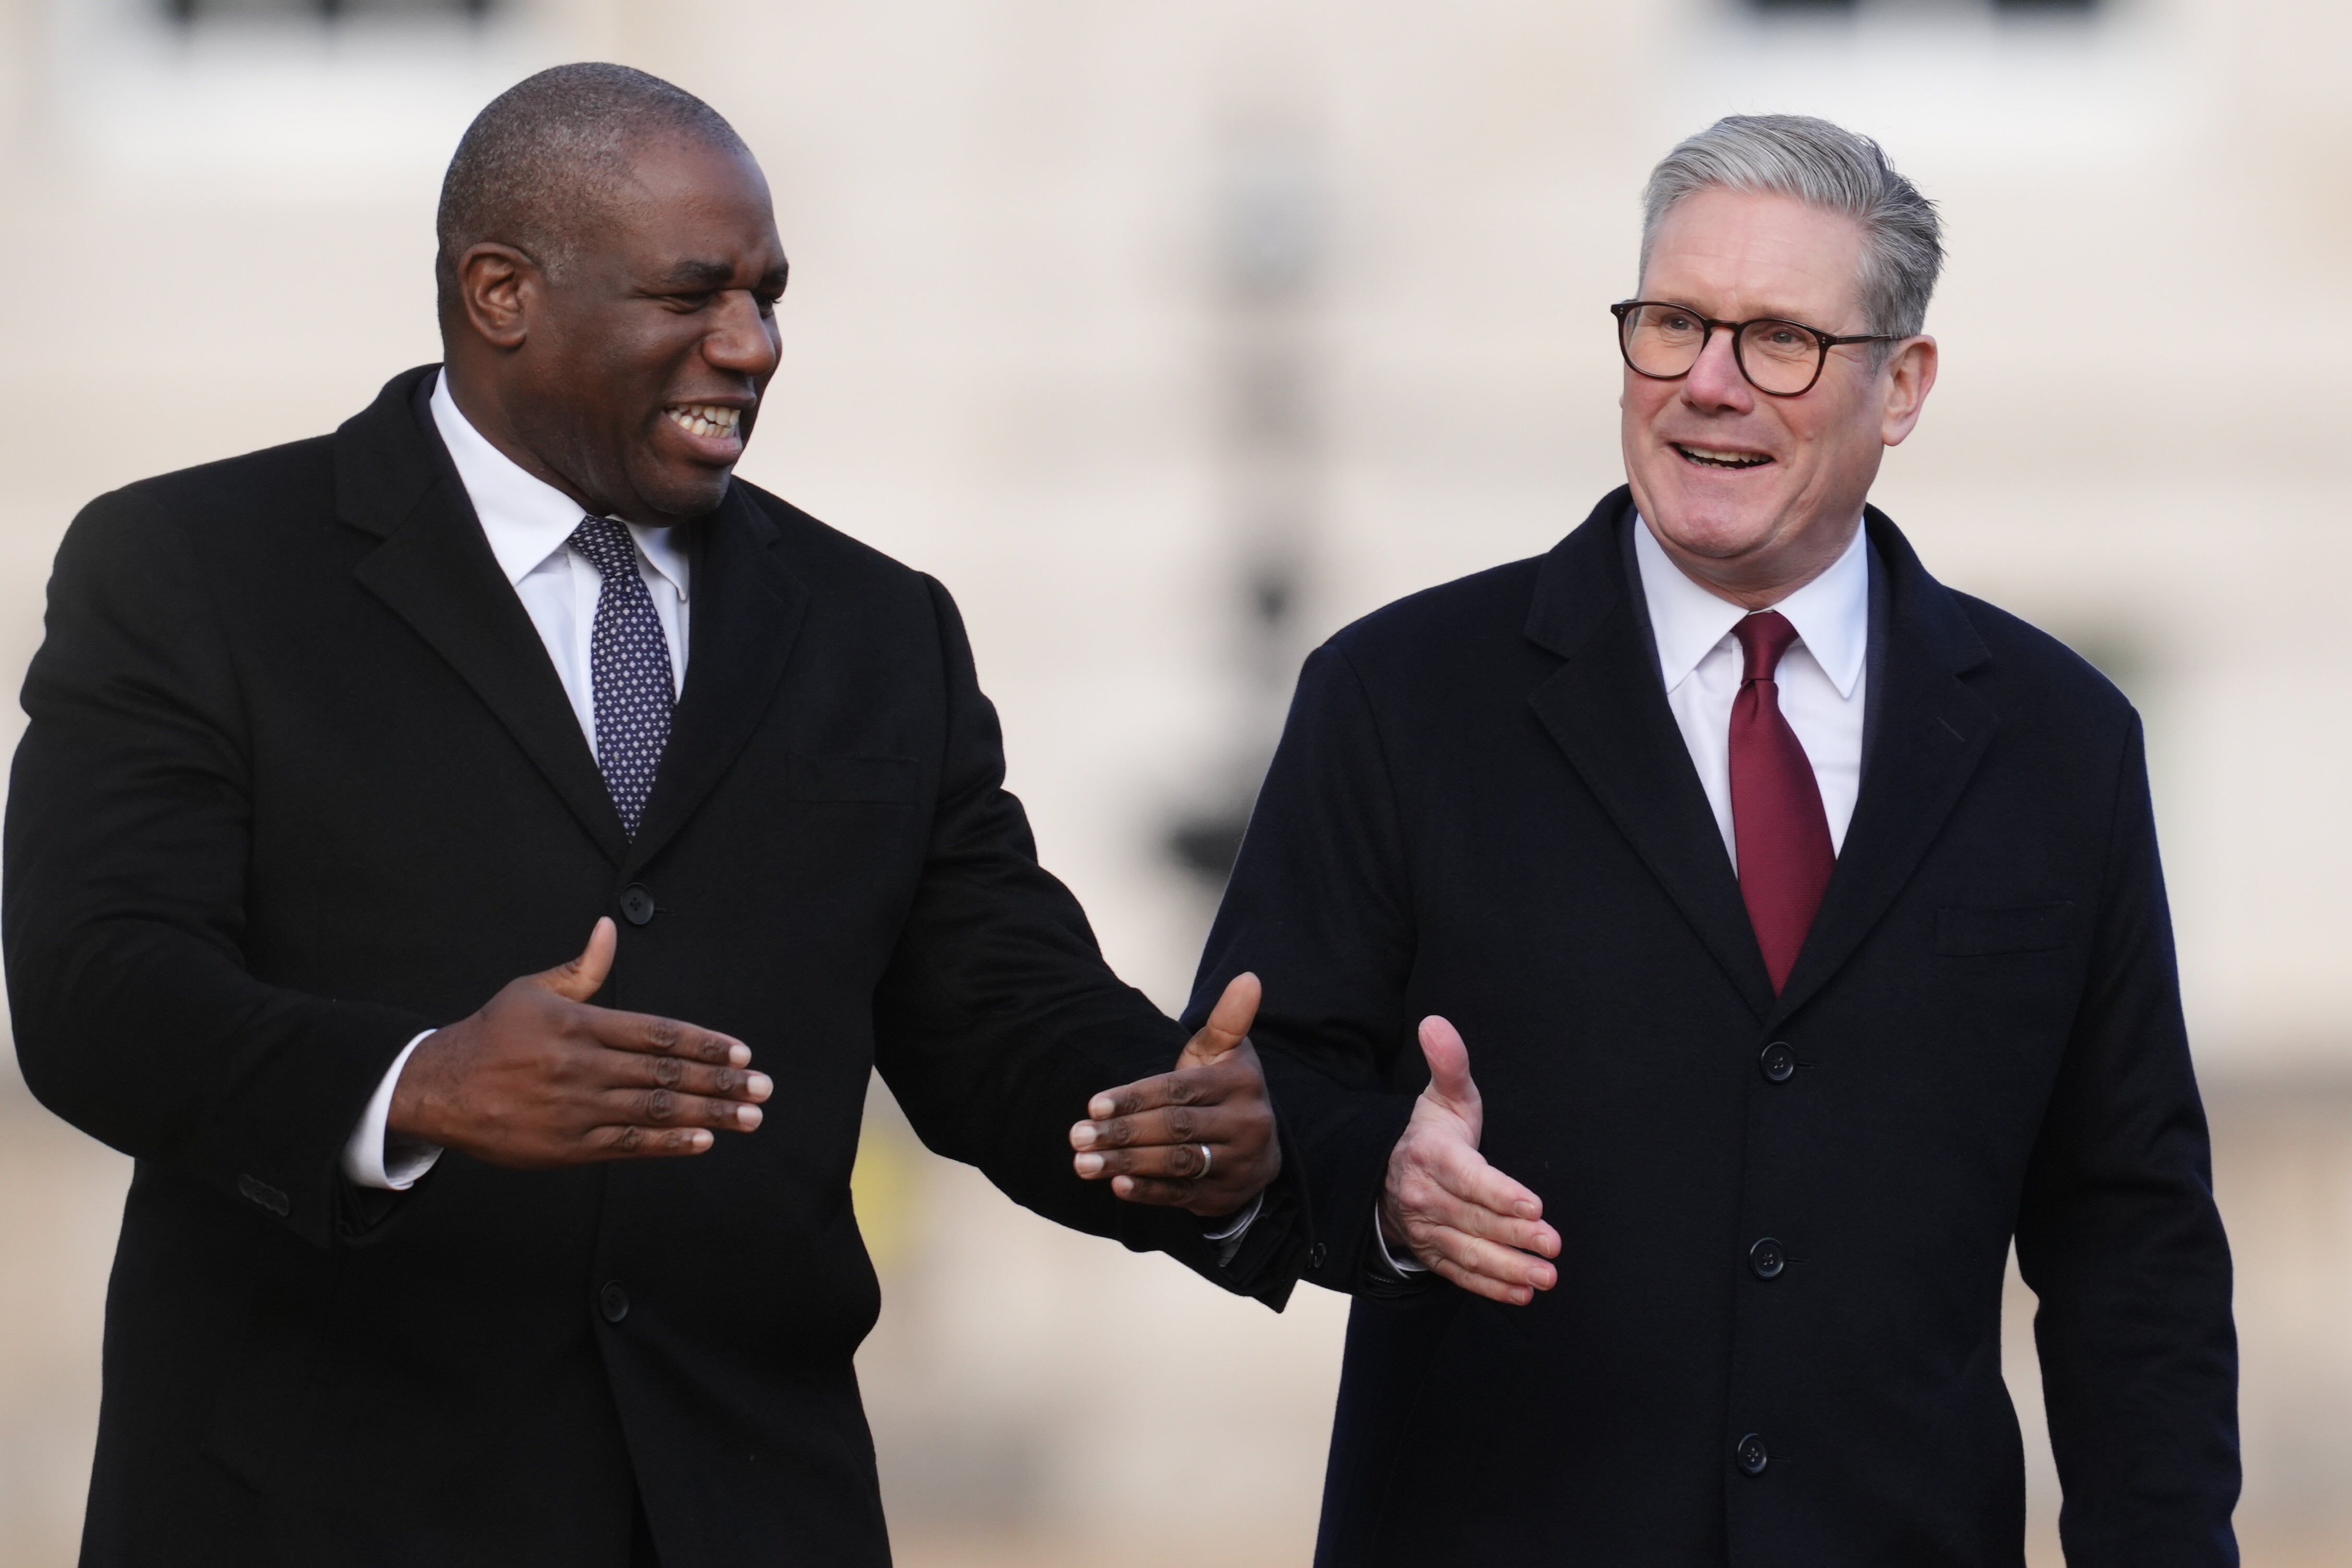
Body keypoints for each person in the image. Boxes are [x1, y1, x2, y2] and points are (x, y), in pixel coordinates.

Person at [5, 64, 1292, 1568]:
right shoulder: (197, 572)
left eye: (767, 295)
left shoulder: (876, 631)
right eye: (693, 295)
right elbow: (103, 993)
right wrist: (418, 1084)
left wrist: (1170, 1120)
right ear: (501, 292)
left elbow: (994, 1010)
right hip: (325, 1514)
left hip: (747, 1510)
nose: (751, 346)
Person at [1184, 115, 2239, 1565]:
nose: (1709, 386)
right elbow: (1248, 1102)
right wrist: (1380, 1176)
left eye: (1780, 340)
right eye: (1672, 323)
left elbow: (2132, 1237)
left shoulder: (2063, 743)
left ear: (1906, 384)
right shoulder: (1398, 699)